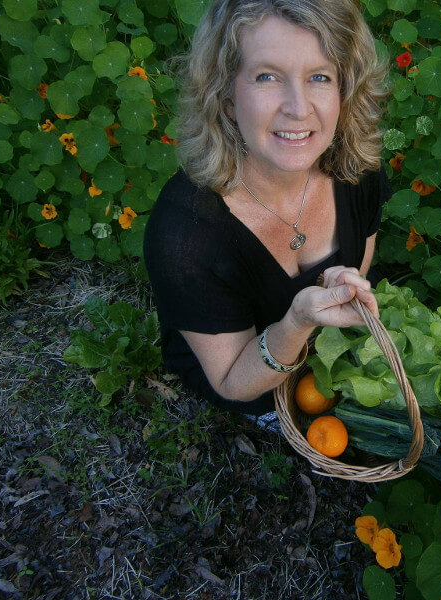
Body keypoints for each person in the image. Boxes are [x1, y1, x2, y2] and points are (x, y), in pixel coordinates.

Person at [143, 0, 392, 432]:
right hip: (247, 376)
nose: (298, 108)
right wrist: (297, 323)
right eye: (267, 77)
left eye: (319, 77)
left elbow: (361, 260)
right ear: (225, 97)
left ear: (344, 90)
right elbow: (232, 382)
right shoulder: (185, 234)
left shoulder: (355, 170)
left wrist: (339, 291)